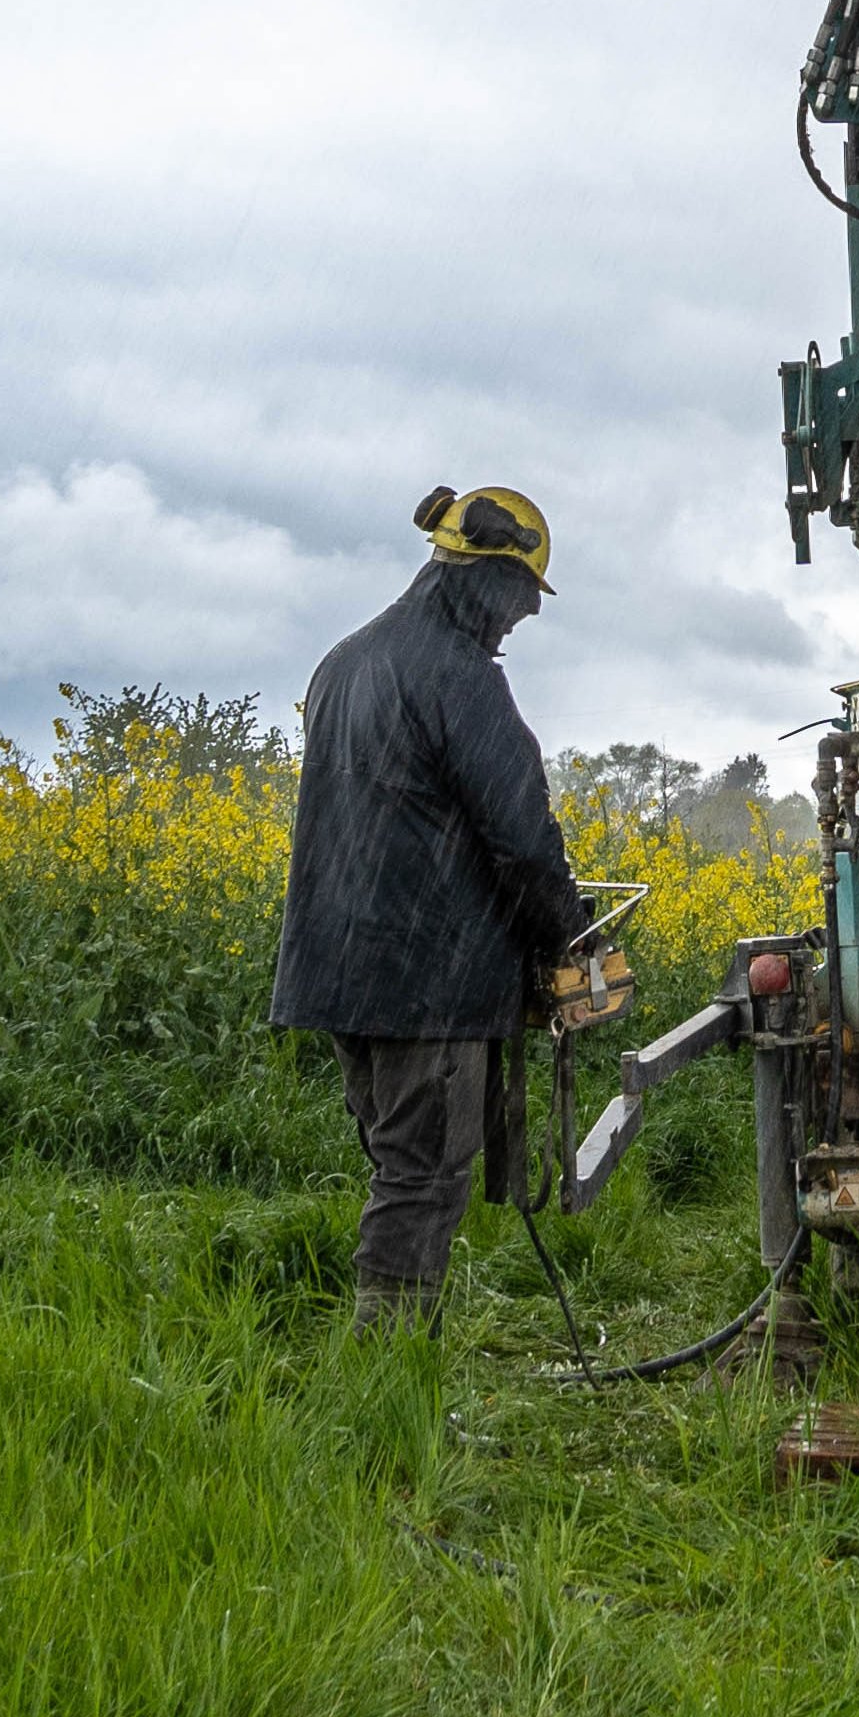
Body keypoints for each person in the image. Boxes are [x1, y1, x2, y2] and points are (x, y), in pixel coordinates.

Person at [271, 486, 590, 1327]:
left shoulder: (344, 660)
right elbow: (522, 837)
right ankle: (388, 1371)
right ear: (486, 577)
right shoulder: (458, 677)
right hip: (426, 978)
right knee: (421, 1175)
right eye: (521, 600)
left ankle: (396, 1353)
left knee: (396, 1162)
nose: (519, 622)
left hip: (342, 972)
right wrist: (569, 938)